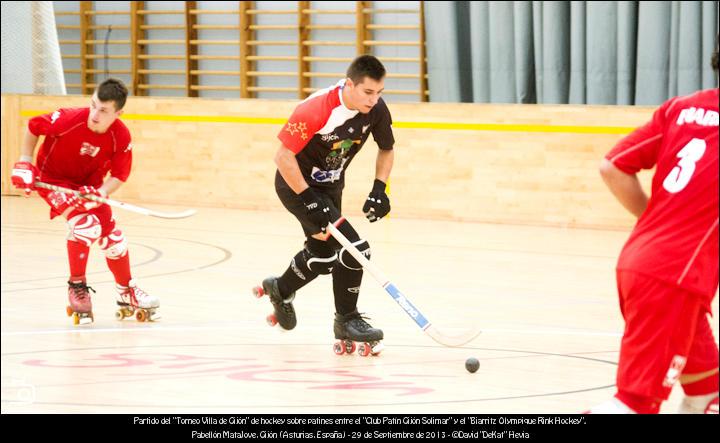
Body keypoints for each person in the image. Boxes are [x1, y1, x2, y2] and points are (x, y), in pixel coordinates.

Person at [589, 46, 719, 413]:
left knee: (708, 390)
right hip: (673, 280)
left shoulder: (680, 109)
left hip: (646, 264)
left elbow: (612, 167)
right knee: (636, 403)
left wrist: (660, 221)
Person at [255, 55, 395, 355]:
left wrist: (380, 189)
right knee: (356, 248)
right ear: (349, 85)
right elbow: (282, 157)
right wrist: (308, 198)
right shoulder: (316, 109)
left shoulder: (376, 111)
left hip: (330, 187)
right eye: (368, 92)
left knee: (323, 256)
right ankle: (346, 319)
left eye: (379, 92)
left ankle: (280, 288)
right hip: (297, 186)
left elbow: (387, 149)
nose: (374, 100)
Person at [11, 78, 160, 325]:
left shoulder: (120, 136)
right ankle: (76, 286)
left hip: (88, 187)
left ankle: (127, 292)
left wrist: (101, 192)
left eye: (103, 110)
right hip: (54, 181)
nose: (95, 114)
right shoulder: (67, 120)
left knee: (114, 238)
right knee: (86, 226)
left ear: (118, 113)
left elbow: (120, 175)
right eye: (93, 105)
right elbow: (33, 126)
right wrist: (25, 161)